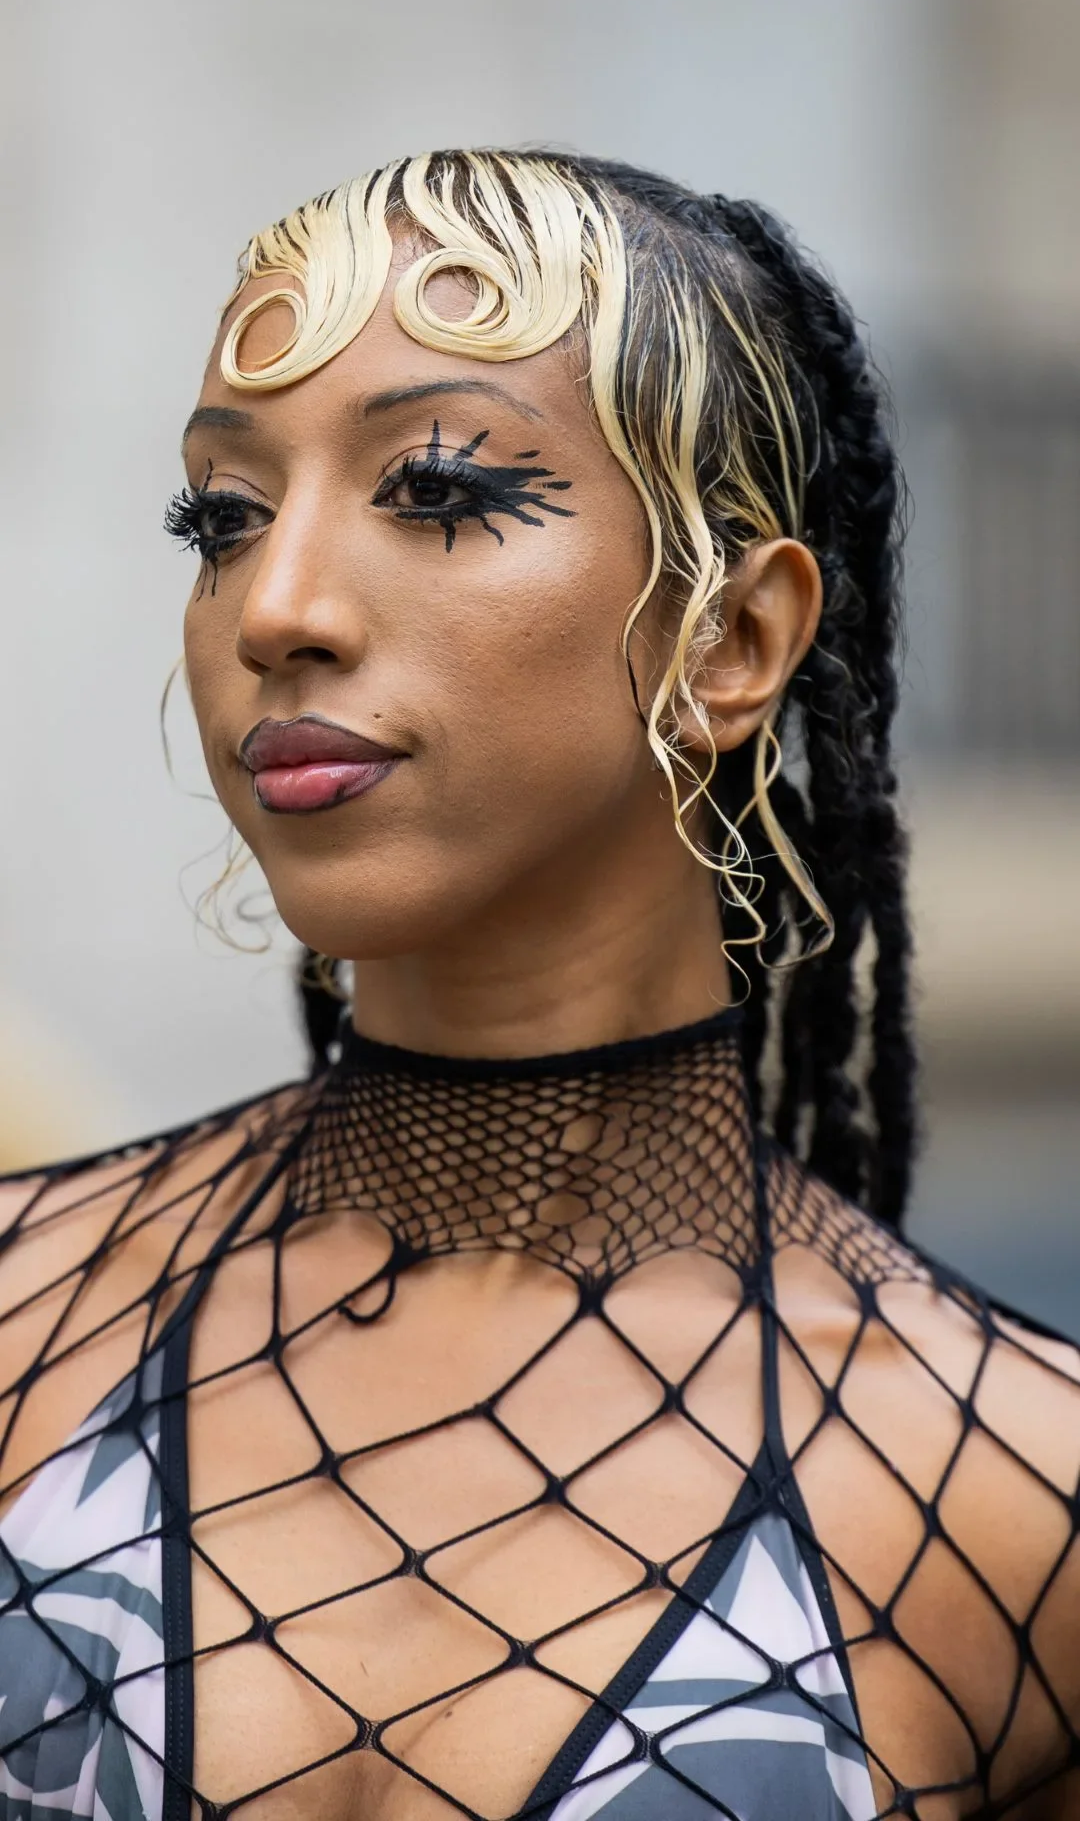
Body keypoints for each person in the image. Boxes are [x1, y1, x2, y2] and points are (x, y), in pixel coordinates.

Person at [0, 150, 1076, 1821]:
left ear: (731, 638)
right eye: (222, 516)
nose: (275, 608)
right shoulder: (22, 1328)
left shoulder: (1014, 1495)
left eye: (436, 492)